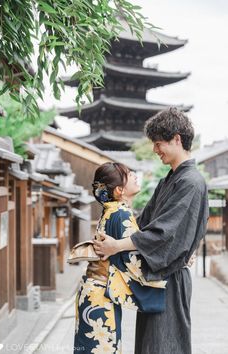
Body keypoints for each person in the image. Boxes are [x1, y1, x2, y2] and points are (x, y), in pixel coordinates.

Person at [94, 107, 209, 354]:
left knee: (165, 345)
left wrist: (116, 246)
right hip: (157, 277)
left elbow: (164, 233)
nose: (155, 150)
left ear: (177, 139)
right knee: (150, 345)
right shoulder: (169, 180)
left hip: (170, 279)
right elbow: (142, 225)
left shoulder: (191, 182)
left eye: (159, 144)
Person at [74, 162, 167, 354]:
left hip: (92, 291)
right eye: (129, 174)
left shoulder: (111, 209)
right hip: (100, 296)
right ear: (119, 190)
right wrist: (171, 263)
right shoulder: (121, 212)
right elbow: (135, 260)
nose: (134, 175)